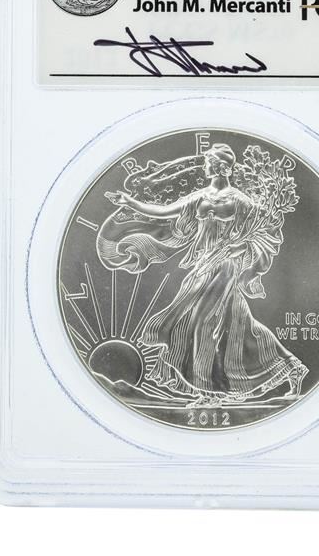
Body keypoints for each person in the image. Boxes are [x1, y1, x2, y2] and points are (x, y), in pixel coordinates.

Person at [100, 143, 306, 405]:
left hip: (225, 267)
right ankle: (291, 367)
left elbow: (265, 234)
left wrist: (241, 247)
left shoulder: (240, 201)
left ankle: (210, 392)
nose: (205, 166)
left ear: (220, 166)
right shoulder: (200, 197)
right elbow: (162, 212)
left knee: (200, 323)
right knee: (239, 325)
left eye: (208, 162)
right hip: (202, 265)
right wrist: (130, 202)